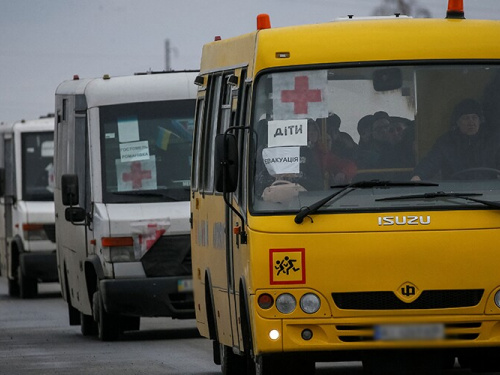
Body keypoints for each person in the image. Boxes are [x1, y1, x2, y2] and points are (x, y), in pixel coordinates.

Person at [412, 98, 500, 181]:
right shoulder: (446, 142)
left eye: (474, 117)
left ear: (480, 121)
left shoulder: (493, 141)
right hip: (455, 192)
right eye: (466, 118)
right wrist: (418, 176)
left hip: (489, 192)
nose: (471, 122)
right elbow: (431, 162)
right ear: (457, 122)